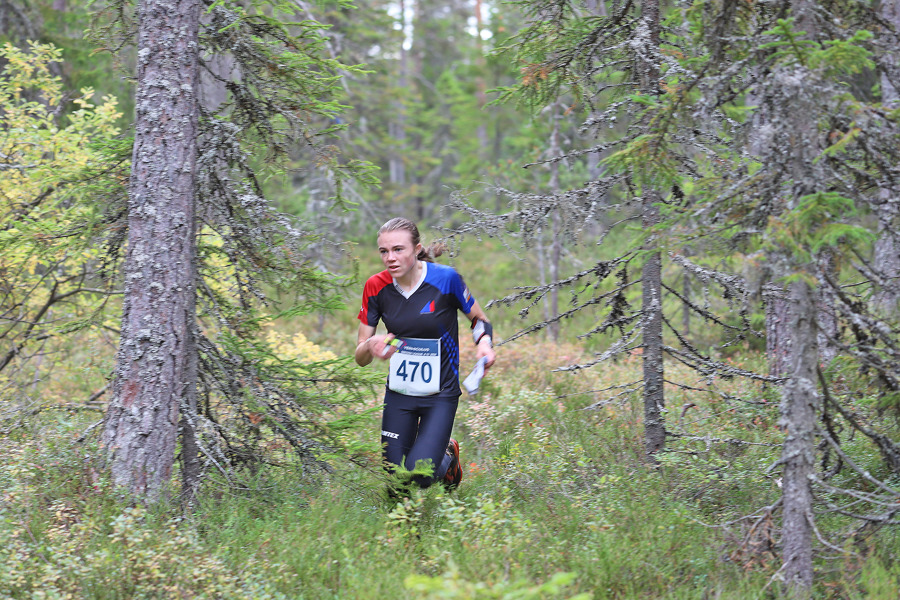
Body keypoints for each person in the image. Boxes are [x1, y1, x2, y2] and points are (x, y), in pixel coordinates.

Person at [355, 217, 496, 491]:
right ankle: (404, 530)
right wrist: (370, 345)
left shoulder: (446, 279)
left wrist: (484, 343)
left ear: (417, 249)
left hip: (440, 394)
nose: (390, 258)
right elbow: (360, 357)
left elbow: (479, 319)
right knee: (397, 480)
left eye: (398, 249)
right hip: (400, 392)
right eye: (384, 251)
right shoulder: (376, 287)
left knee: (420, 475)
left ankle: (448, 459)